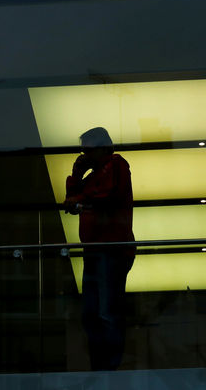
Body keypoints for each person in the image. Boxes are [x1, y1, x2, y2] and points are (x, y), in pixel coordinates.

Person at [63, 127, 135, 370]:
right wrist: (76, 174)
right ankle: (101, 367)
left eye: (89, 149)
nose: (84, 155)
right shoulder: (93, 176)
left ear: (104, 147)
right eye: (83, 150)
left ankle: (109, 369)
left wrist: (80, 199)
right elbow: (71, 199)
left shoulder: (116, 165)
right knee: (91, 314)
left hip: (112, 248)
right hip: (95, 249)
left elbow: (107, 195)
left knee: (106, 312)